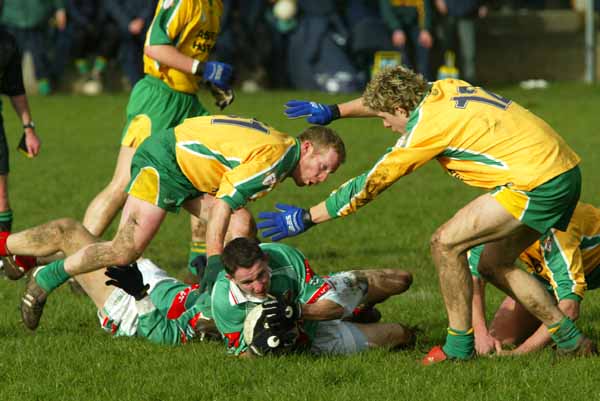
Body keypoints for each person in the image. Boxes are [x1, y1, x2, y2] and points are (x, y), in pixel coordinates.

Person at [258, 66, 594, 363]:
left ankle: (458, 349)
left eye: (386, 119)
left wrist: (308, 217)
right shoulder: (442, 89)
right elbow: (386, 100)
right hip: (562, 170)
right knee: (493, 263)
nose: (386, 125)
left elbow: (372, 182)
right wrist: (335, 111)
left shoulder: (427, 128)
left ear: (402, 109)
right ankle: (571, 341)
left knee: (446, 244)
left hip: (536, 181)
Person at [1, 118, 346, 331]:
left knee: (242, 222)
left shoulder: (281, 148)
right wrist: (214, 261)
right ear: (306, 147)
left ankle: (225, 305)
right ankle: (48, 276)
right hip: (167, 165)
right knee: (125, 251)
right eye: (323, 166)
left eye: (331, 173)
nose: (323, 177)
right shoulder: (278, 159)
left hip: (184, 163)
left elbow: (228, 202)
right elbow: (223, 205)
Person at [79, 0, 233, 286]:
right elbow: (154, 47)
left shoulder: (217, 6)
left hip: (188, 101)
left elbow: (188, 55)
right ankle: (77, 260)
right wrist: (204, 68)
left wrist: (213, 82)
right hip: (159, 98)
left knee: (209, 182)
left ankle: (198, 264)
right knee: (124, 183)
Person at [6, 218, 216, 344]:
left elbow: (165, 335)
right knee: (120, 236)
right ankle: (24, 260)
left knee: (66, 232)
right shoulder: (240, 290)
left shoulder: (226, 314)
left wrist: (140, 295)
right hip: (158, 280)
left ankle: (40, 274)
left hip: (130, 304)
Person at [212, 237, 415, 356]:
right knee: (402, 334)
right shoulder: (223, 301)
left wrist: (297, 310)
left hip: (315, 306)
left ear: (266, 260)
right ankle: (353, 317)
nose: (258, 287)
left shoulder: (285, 257)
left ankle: (358, 310)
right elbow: (239, 354)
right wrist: (262, 348)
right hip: (312, 339)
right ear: (231, 278)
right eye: (247, 282)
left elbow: (334, 307)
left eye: (261, 275)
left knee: (402, 279)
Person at [468, 201, 600, 356]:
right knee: (500, 340)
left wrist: (519, 353)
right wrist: (480, 332)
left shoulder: (558, 230)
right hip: (546, 275)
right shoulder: (499, 221)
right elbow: (472, 277)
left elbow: (570, 307)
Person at [0, 27, 41, 270]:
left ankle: (2, 256)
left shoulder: (6, 43)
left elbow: (15, 88)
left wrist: (28, 128)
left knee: (1, 195)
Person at [0, 0, 67, 95]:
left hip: (37, 19)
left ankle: (45, 87)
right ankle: (9, 87)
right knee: (10, 58)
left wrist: (60, 9)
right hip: (11, 19)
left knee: (40, 55)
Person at [434, 0, 487, 83]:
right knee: (447, 50)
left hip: (467, 13)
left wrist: (483, 4)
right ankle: (446, 82)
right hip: (447, 13)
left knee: (468, 52)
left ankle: (469, 82)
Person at [378, 0, 434, 80]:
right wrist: (396, 28)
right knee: (401, 50)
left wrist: (425, 29)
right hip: (394, 26)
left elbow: (425, 8)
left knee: (424, 43)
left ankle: (424, 81)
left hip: (415, 24)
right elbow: (386, 11)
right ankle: (406, 82)